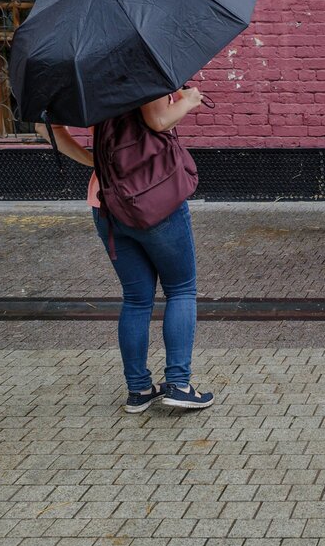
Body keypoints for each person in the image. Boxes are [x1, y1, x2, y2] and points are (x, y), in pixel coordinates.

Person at [39, 89, 212, 413]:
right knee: (181, 289)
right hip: (156, 196)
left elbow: (44, 127)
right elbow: (158, 120)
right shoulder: (143, 69)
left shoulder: (84, 77)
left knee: (136, 298)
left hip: (106, 201)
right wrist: (188, 100)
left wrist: (94, 162)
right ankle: (178, 385)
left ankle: (138, 389)